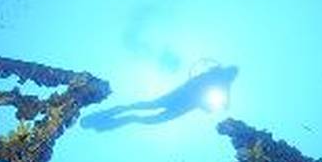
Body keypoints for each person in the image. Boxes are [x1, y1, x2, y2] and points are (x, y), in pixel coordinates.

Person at [80, 63, 238, 130]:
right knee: (147, 114)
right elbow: (215, 106)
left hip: (179, 100)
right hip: (180, 102)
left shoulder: (221, 83)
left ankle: (106, 120)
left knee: (146, 111)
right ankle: (106, 121)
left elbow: (214, 105)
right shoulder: (220, 82)